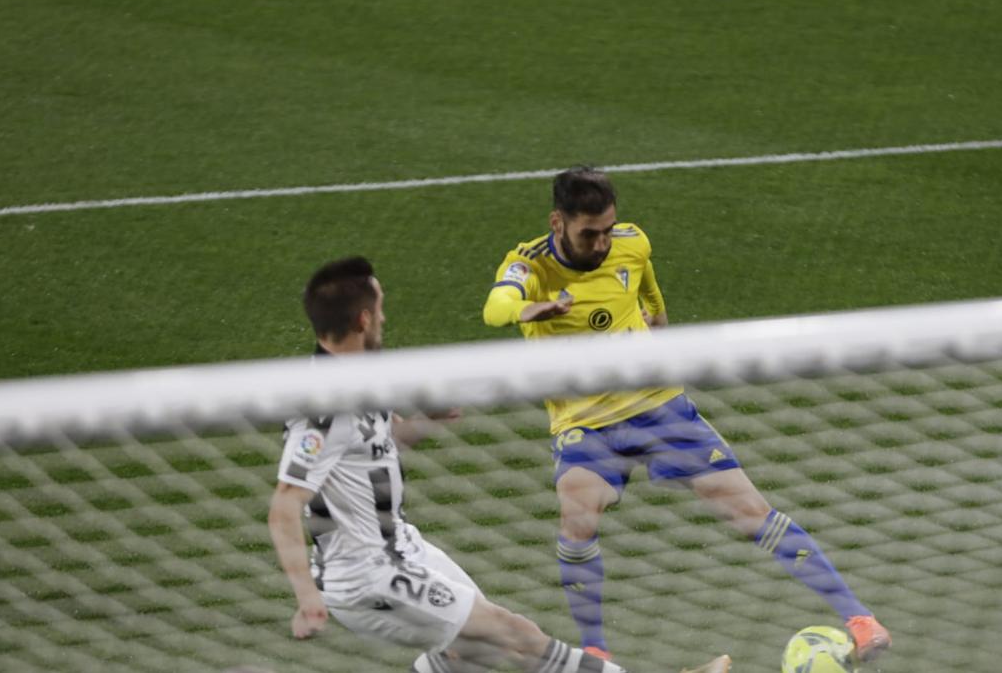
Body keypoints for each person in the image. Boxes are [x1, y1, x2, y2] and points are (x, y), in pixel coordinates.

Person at [483, 168, 891, 663]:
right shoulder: (531, 264)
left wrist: (657, 333)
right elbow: (496, 306)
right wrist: (526, 310)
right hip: (584, 423)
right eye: (589, 233)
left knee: (749, 513)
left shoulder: (632, 244)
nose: (602, 242)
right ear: (558, 221)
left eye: (607, 229)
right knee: (577, 514)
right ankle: (597, 651)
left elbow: (653, 305)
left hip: (657, 404)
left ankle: (861, 620)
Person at [269, 256, 730, 673]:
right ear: (363, 318)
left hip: (402, 548)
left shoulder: (364, 377)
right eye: (381, 309)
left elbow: (374, 449)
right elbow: (285, 505)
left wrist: (429, 422)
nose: (385, 319)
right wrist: (308, 598)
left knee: (473, 651)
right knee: (515, 638)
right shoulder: (321, 409)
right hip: (367, 576)